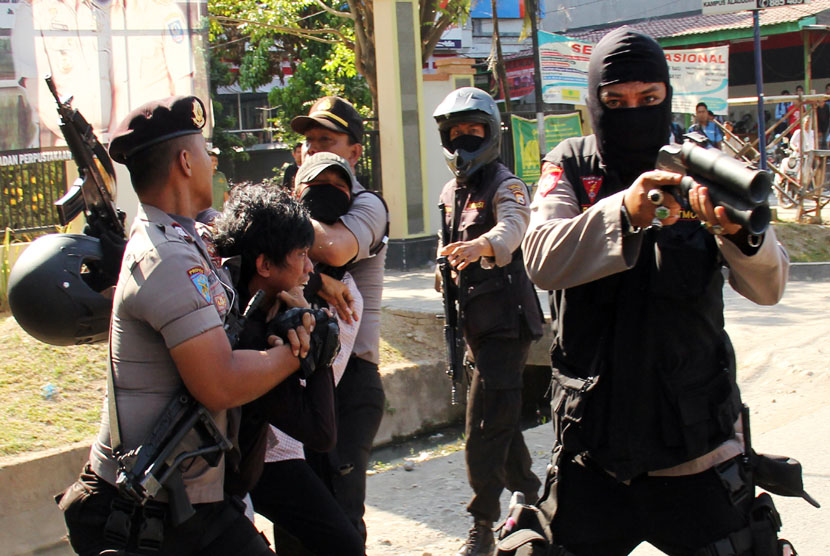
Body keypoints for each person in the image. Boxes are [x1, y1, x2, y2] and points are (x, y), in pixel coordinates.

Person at [522, 28, 792, 555]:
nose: (633, 112)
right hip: (591, 445)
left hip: (694, 441)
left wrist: (739, 234)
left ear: (667, 95)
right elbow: (542, 258)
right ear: (594, 101)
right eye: (615, 101)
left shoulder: (705, 166)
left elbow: (770, 286)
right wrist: (626, 210)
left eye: (649, 99)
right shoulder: (571, 165)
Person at [56, 96, 317, 555]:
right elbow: (219, 383)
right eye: (204, 150)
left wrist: (321, 281)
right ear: (184, 162)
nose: (211, 159)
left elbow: (265, 243)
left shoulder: (192, 235)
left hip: (185, 499)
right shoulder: (165, 257)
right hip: (146, 510)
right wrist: (294, 351)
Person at [433, 87, 543, 556]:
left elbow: (515, 227)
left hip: (506, 324)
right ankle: (532, 490)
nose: (461, 143)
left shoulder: (506, 184)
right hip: (474, 325)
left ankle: (482, 521)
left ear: (491, 133)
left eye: (471, 133)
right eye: (453, 134)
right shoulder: (449, 192)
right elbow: (445, 248)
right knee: (501, 418)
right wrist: (443, 272)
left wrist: (483, 247)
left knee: (482, 424)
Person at [239, 158, 365, 556]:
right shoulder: (249, 324)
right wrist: (314, 347)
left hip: (268, 455)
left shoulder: (341, 297)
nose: (310, 268)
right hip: (225, 471)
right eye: (302, 257)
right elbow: (320, 429)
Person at [289, 96, 388, 545]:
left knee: (339, 523)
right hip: (291, 377)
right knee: (293, 522)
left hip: (349, 387)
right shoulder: (294, 206)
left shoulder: (367, 206)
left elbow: (332, 249)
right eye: (308, 142)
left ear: (354, 152)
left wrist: (273, 225)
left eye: (325, 140)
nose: (312, 150)